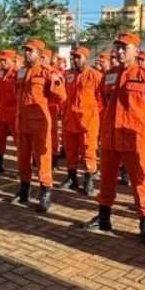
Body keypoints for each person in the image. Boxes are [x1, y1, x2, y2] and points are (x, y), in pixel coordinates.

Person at [85, 32, 145, 246]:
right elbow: (101, 99)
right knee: (106, 179)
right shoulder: (109, 75)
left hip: (134, 138)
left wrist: (141, 124)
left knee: (140, 181)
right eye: (118, 47)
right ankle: (104, 218)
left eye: (125, 48)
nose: (120, 51)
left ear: (136, 51)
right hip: (110, 136)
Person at [11, 40, 65, 212]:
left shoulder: (48, 73)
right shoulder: (21, 72)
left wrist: (53, 87)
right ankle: (24, 190)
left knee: (43, 158)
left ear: (40, 55)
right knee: (23, 157)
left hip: (40, 123)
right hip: (22, 121)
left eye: (30, 51)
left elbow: (61, 96)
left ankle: (45, 191)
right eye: (25, 51)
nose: (27, 54)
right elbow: (16, 92)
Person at [60, 46, 102, 194]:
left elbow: (101, 98)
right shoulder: (68, 75)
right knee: (70, 150)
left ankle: (88, 179)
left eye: (78, 57)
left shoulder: (95, 75)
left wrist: (91, 113)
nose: (75, 60)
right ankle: (72, 178)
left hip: (88, 121)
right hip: (69, 119)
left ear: (86, 58)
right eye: (73, 57)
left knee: (88, 151)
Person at [0, 50, 18, 174]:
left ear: (12, 61)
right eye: (1, 60)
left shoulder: (18, 74)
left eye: (4, 60)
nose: (2, 62)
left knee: (19, 142)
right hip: (1, 111)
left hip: (14, 113)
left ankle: (23, 168)